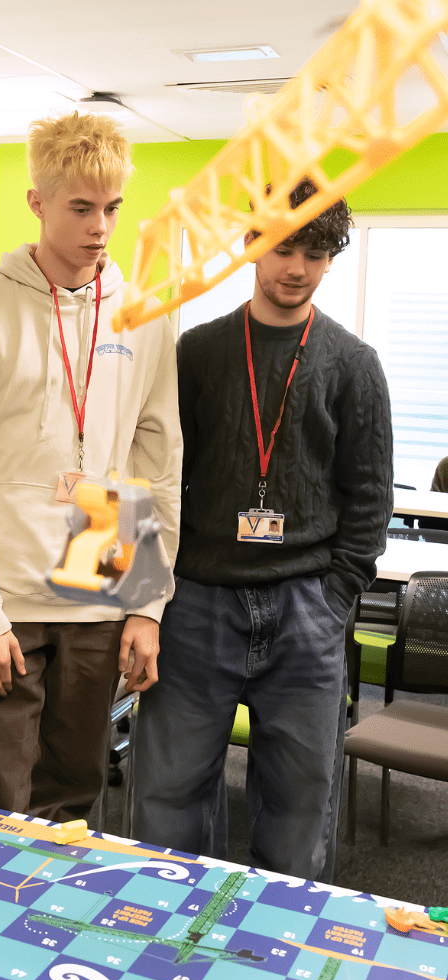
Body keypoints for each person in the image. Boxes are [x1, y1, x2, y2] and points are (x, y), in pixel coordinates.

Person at [132, 179, 394, 881]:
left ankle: (277, 970)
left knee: (297, 813)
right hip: (195, 605)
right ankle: (165, 952)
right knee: (166, 807)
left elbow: (369, 498)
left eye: (315, 252)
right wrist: (147, 600)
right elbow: (153, 476)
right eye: (284, 247)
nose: (297, 268)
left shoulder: (354, 364)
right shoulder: (197, 353)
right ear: (251, 244)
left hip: (305, 611)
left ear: (332, 259)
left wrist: (334, 599)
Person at [0, 111, 182, 822]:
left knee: (73, 805)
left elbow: (153, 462)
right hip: (3, 602)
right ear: (38, 203)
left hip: (98, 592)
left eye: (111, 208)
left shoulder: (145, 315)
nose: (100, 226)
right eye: (80, 207)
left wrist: (144, 604)